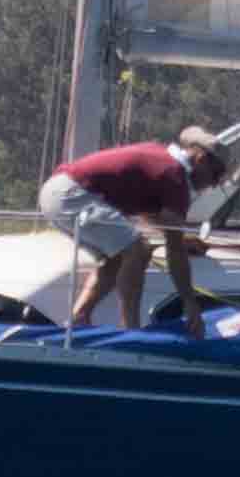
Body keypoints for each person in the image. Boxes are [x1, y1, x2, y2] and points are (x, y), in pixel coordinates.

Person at [36, 128, 227, 328]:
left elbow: (156, 218)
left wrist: (178, 238)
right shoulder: (175, 176)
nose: (213, 184)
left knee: (118, 256)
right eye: (216, 175)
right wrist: (190, 302)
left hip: (58, 191)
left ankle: (79, 318)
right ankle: (130, 327)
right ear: (201, 159)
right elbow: (175, 252)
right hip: (72, 195)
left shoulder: (162, 158)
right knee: (138, 251)